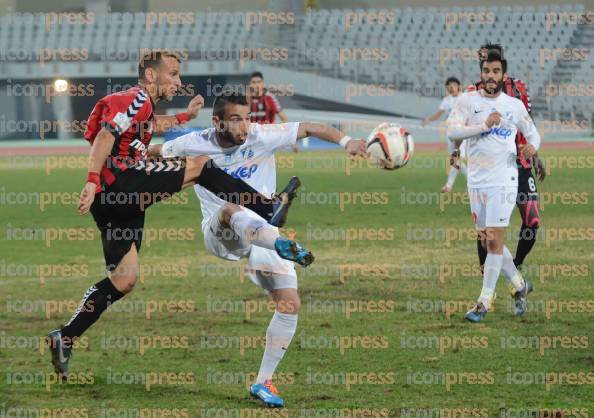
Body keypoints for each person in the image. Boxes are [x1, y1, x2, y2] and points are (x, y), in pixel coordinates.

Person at [46, 51, 300, 379]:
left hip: (119, 204)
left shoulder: (142, 106)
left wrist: (183, 118)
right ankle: (268, 207)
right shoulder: (137, 98)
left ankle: (66, 336)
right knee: (201, 166)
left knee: (124, 280)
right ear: (151, 76)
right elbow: (106, 135)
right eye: (174, 74)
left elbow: (148, 126)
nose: (178, 82)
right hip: (123, 183)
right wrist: (92, 181)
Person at [150, 90, 368, 407]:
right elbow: (157, 152)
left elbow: (309, 127)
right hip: (220, 229)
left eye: (247, 117)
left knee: (289, 303)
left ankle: (263, 382)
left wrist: (347, 141)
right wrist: (119, 162)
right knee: (229, 209)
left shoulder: (260, 136)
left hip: (261, 229)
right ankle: (278, 238)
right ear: (217, 122)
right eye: (236, 119)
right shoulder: (193, 143)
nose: (245, 126)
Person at [446, 50, 541, 323]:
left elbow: (532, 131)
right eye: (486, 71)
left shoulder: (513, 105)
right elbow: (452, 132)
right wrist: (483, 126)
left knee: (495, 240)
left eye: (496, 71)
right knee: (488, 241)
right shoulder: (467, 101)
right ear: (481, 73)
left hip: (505, 180)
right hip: (476, 182)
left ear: (503, 75)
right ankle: (521, 286)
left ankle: (483, 303)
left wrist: (533, 146)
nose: (491, 76)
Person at [473, 43, 546, 274]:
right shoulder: (473, 94)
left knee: (532, 221)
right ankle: (487, 271)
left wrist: (535, 153)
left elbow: (528, 124)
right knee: (486, 229)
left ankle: (516, 265)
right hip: (491, 169)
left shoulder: (518, 89)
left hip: (521, 166)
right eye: (485, 63)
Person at [422, 77, 467, 192]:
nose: (450, 88)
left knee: (456, 158)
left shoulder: (465, 97)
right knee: (454, 160)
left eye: (452, 85)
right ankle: (471, 180)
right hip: (451, 132)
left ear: (458, 86)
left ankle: (449, 185)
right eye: (448, 86)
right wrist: (428, 120)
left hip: (462, 132)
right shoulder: (447, 100)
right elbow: (439, 113)